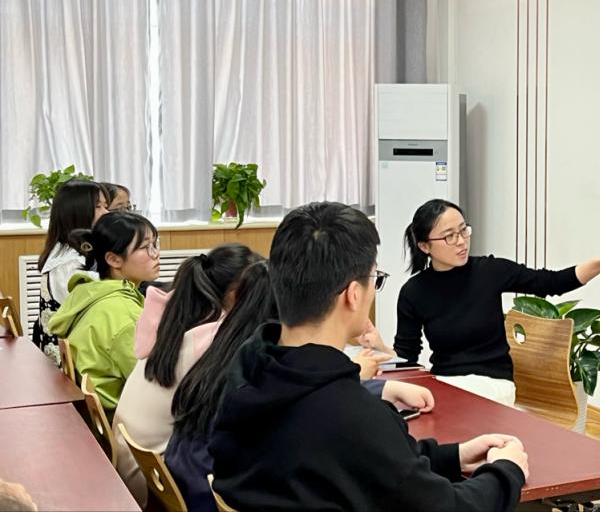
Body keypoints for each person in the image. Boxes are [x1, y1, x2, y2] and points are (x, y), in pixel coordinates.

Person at [209, 202, 528, 511]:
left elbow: (378, 463)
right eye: (375, 279)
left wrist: (454, 456)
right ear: (353, 294)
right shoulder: (352, 413)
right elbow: (448, 506)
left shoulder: (247, 370)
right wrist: (506, 470)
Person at [165, 261, 433, 512]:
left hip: (197, 488)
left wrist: (379, 388)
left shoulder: (235, 355)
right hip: (207, 494)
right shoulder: (254, 372)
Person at [395, 199, 600, 405]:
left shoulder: (489, 271)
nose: (461, 241)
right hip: (445, 382)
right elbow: (406, 356)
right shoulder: (413, 292)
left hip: (493, 383)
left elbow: (551, 282)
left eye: (463, 230)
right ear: (425, 246)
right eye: (450, 236)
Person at [113, 243, 261, 505]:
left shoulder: (178, 319)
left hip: (133, 467)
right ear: (238, 294)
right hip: (152, 483)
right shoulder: (213, 340)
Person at [48, 211, 161, 412]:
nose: (156, 254)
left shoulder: (90, 292)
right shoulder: (124, 316)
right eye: (145, 247)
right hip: (123, 419)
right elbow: (155, 384)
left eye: (155, 244)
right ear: (114, 259)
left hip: (103, 415)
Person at [34, 179, 109, 362]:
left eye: (106, 206)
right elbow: (97, 317)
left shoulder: (68, 252)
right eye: (98, 206)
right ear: (77, 213)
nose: (106, 213)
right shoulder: (70, 265)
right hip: (69, 366)